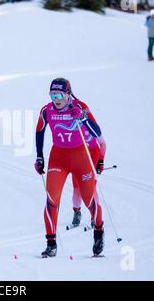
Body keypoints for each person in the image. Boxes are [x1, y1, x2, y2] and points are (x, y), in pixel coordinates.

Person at [34, 78, 104, 257]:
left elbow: (97, 133)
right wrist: (40, 156)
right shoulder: (46, 110)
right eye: (52, 95)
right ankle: (51, 244)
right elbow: (39, 131)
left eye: (59, 95)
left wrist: (82, 118)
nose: (55, 99)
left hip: (81, 157)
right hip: (59, 157)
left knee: (89, 200)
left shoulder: (80, 106)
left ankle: (98, 231)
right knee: (52, 198)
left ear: (68, 94)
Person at [69, 96, 106, 228]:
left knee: (91, 187)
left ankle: (95, 216)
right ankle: (77, 212)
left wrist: (101, 161)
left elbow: (102, 143)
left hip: (92, 153)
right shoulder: (67, 117)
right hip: (77, 154)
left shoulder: (89, 120)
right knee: (77, 187)